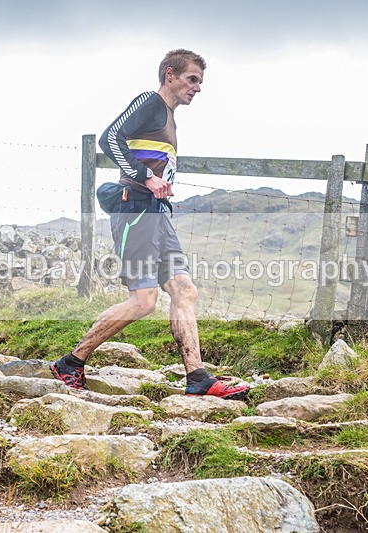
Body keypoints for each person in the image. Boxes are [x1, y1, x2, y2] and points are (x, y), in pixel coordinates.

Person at [50, 49, 249, 400]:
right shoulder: (151, 102)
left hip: (159, 214)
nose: (198, 88)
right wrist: (146, 176)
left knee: (184, 290)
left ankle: (197, 377)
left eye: (200, 82)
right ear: (170, 75)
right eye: (192, 79)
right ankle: (71, 362)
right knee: (143, 302)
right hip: (137, 211)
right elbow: (109, 138)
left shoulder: (169, 116)